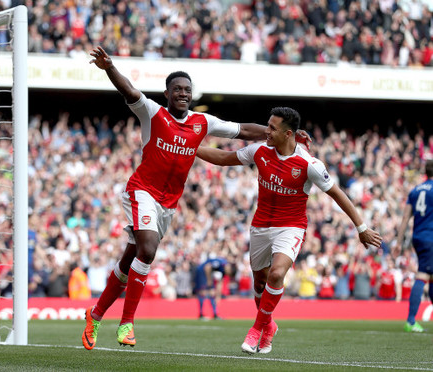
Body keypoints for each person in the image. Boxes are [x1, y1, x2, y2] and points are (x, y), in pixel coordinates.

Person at [82, 46, 311, 351]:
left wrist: (283, 136)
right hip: (141, 191)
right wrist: (109, 67)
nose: (183, 94)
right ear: (167, 94)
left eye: (187, 90)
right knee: (148, 251)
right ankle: (127, 323)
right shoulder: (153, 113)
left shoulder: (203, 122)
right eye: (177, 89)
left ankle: (95, 315)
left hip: (168, 203)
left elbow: (242, 130)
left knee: (129, 261)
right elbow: (129, 90)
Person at [196, 107, 382, 354]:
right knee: (260, 284)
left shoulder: (309, 164)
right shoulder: (259, 150)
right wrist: (190, 148)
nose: (267, 131)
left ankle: (256, 330)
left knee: (276, 274)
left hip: (291, 227)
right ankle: (269, 326)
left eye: (272, 128)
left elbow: (337, 194)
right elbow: (222, 158)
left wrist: (361, 227)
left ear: (288, 134)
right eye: (268, 126)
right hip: (260, 226)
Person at [393, 159, 433, 333]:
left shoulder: (415, 190)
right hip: (430, 237)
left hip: (418, 237)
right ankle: (410, 320)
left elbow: (405, 218)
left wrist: (399, 241)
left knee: (431, 277)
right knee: (423, 275)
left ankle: (411, 319)